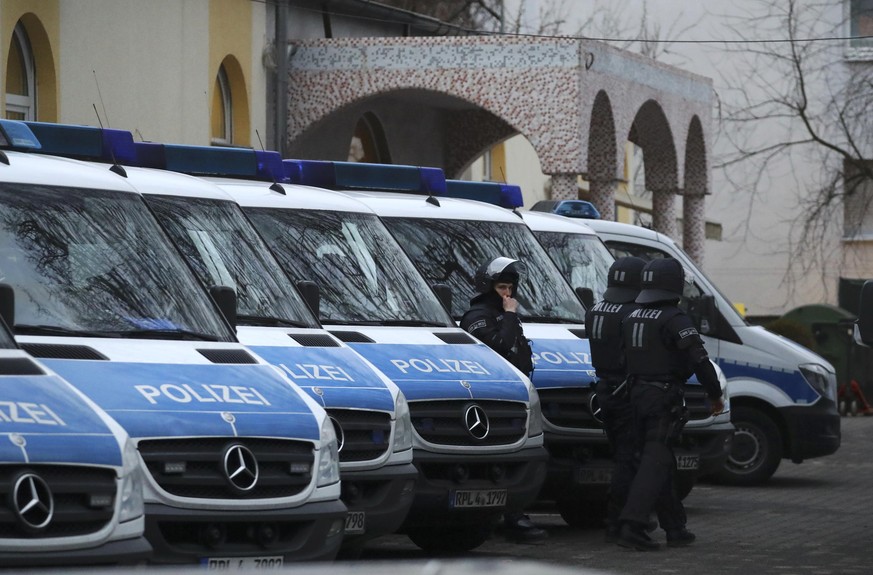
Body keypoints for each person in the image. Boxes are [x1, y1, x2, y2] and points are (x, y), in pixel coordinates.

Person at [617, 257, 725, 551]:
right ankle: (632, 525)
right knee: (657, 460)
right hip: (661, 398)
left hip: (635, 395)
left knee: (658, 459)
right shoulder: (674, 318)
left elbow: (622, 359)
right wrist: (714, 394)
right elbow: (699, 360)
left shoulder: (631, 316)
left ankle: (675, 527)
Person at [460, 256, 545, 544]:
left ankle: (514, 513)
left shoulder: (503, 314)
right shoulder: (477, 316)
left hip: (515, 395)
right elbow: (500, 346)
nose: (507, 294)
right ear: (488, 287)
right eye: (501, 288)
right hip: (492, 397)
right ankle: (510, 517)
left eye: (510, 288)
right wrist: (509, 315)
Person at [584, 256, 648, 543]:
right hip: (626, 391)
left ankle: (617, 519)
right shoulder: (633, 314)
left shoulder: (596, 310)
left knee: (621, 456)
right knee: (630, 460)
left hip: (604, 389)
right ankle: (618, 520)